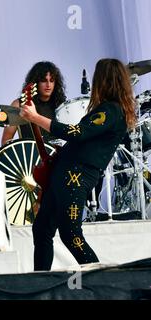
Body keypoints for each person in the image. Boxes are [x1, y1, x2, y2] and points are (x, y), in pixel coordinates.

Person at [19, 58, 136, 270]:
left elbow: (77, 133)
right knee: (42, 229)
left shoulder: (111, 110)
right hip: (66, 173)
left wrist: (36, 118)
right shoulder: (110, 110)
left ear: (104, 79)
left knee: (71, 233)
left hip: (76, 176)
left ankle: (103, 281)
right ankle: (38, 282)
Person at [1, 61, 67, 146]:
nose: (48, 85)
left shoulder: (61, 106)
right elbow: (6, 142)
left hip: (57, 157)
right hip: (30, 157)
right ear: (36, 82)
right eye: (44, 80)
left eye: (51, 80)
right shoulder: (19, 105)